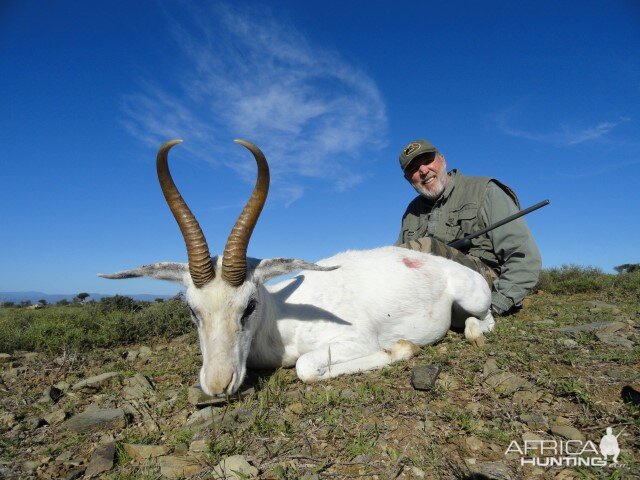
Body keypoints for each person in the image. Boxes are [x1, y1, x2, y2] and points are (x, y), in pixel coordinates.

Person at [395, 139, 541, 316]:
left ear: (442, 159)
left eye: (427, 161)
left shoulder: (485, 190)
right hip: (431, 292)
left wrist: (494, 305)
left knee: (426, 247)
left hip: (480, 283)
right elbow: (396, 259)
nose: (424, 171)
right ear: (408, 179)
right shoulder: (411, 212)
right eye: (414, 169)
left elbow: (524, 256)